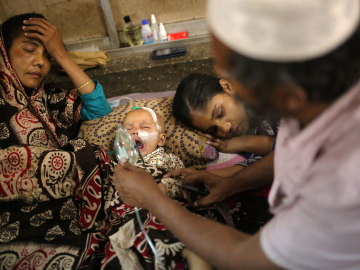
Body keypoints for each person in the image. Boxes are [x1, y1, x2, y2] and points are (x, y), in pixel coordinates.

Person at [113, 0, 360, 269]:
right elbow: (287, 153)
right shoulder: (313, 99)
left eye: (229, 71)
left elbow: (246, 257)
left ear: (286, 93)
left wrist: (154, 200)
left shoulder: (342, 182)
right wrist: (233, 183)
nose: (220, 75)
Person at [0, 13, 120, 269]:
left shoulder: (52, 99)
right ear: (3, 53)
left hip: (66, 204)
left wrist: (62, 55)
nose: (40, 63)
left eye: (48, 56)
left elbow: (101, 113)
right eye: (29, 50)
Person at [109, 107, 213, 270]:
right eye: (128, 129)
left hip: (164, 210)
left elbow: (185, 183)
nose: (135, 131)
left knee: (194, 239)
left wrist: (165, 187)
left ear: (161, 140)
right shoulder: (116, 167)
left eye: (145, 128)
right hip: (130, 217)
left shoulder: (168, 160)